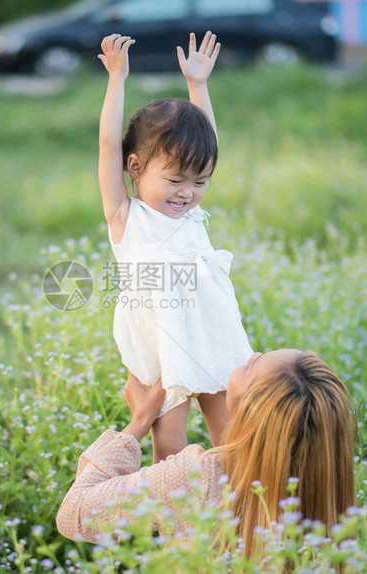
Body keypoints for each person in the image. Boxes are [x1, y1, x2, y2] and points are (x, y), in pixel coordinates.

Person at [98, 31, 254, 464]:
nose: (188, 192)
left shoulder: (189, 216)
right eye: (175, 180)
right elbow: (109, 145)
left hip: (211, 329)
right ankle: (176, 525)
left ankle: (234, 518)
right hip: (160, 340)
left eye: (199, 182)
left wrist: (198, 86)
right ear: (136, 167)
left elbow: (210, 147)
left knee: (231, 434)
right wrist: (117, 79)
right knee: (170, 445)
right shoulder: (125, 216)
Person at [56, 349, 357, 560]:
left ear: (246, 412)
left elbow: (73, 514)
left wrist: (138, 422)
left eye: (254, 365)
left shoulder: (197, 478)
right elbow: (185, 498)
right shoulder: (325, 480)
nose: (250, 355)